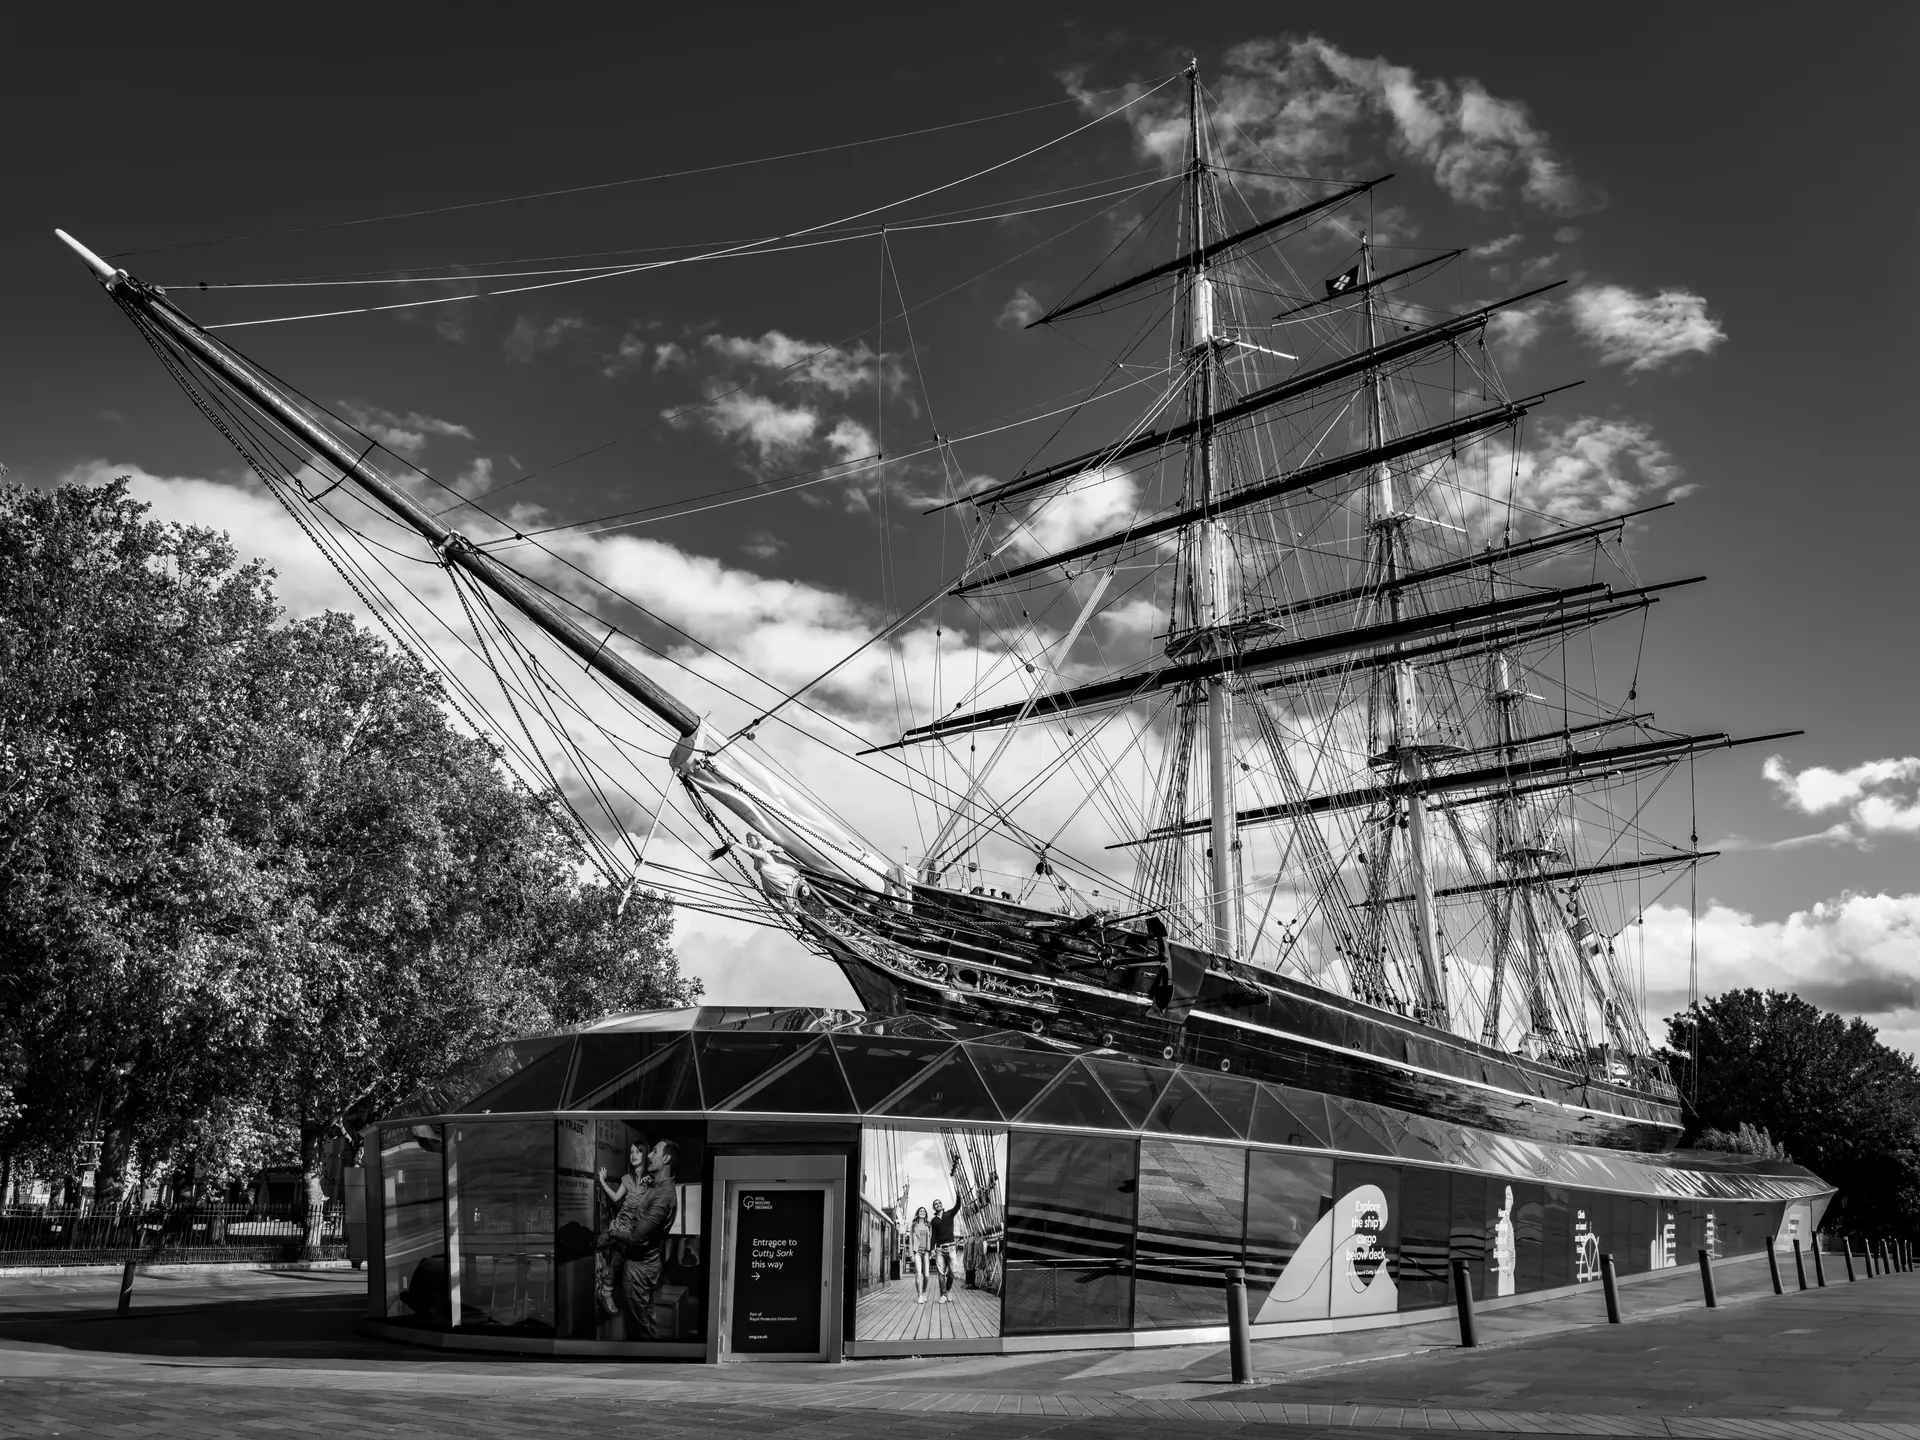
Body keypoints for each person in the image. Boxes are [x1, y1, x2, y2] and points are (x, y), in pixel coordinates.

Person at [597, 1138, 680, 1337]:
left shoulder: (662, 1196)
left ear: (666, 1159)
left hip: (639, 1269)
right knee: (645, 1322)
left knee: (639, 1328)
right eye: (633, 1152)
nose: (648, 1155)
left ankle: (606, 1289)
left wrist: (613, 1232)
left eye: (654, 1152)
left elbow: (636, 1238)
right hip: (642, 1265)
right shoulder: (654, 1186)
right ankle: (607, 1288)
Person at [928, 1199, 960, 1304]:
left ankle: (948, 1290)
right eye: (935, 1204)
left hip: (951, 1247)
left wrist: (958, 1195)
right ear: (934, 1207)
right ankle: (943, 1294)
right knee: (941, 1273)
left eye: (939, 1203)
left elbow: (957, 1206)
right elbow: (933, 1236)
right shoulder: (934, 1220)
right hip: (939, 1249)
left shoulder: (949, 1214)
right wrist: (932, 1248)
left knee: (952, 1272)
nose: (938, 1205)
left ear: (942, 1205)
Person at [909, 1206, 932, 1304]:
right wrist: (911, 1255)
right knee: (918, 1274)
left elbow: (931, 1238)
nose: (922, 1212)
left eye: (924, 1211)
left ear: (926, 1214)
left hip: (926, 1252)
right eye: (921, 1211)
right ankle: (920, 1295)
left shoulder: (929, 1225)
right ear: (918, 1213)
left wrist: (931, 1250)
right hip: (917, 1252)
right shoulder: (913, 1226)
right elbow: (910, 1241)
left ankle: (924, 1291)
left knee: (926, 1275)